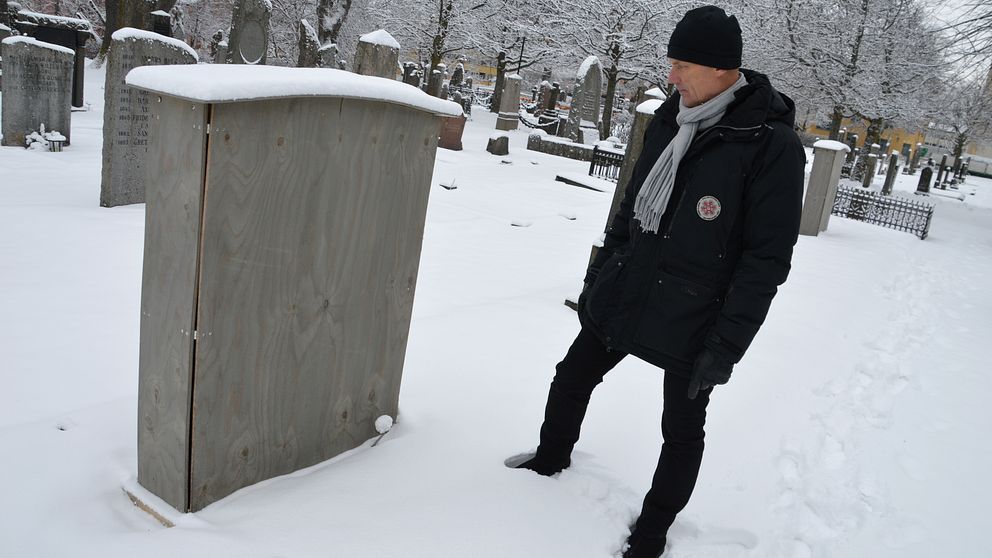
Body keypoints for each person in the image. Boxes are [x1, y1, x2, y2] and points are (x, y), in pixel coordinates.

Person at [511, 5, 805, 557]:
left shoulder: (771, 146)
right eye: (671, 62)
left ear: (721, 69)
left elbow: (766, 260)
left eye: (682, 64)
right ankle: (550, 460)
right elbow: (632, 203)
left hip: (697, 317)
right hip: (630, 288)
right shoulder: (674, 117)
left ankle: (651, 534)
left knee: (681, 430)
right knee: (571, 377)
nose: (671, 76)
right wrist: (601, 274)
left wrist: (726, 346)